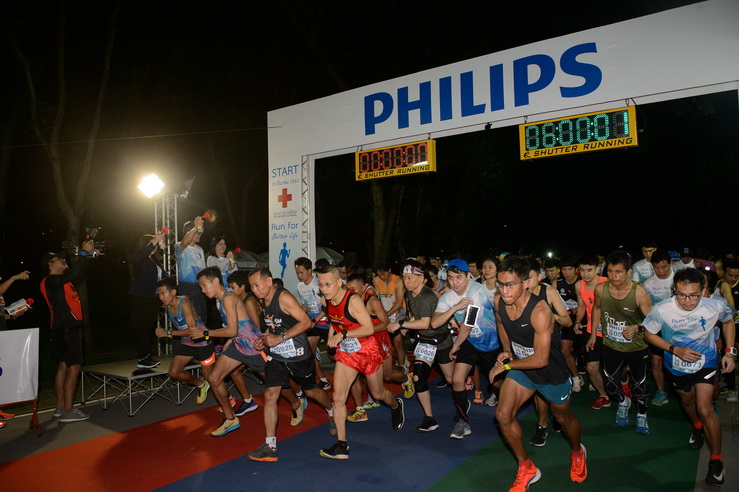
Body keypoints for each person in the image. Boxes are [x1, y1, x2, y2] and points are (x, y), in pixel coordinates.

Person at [491, 255, 586, 491]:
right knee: (503, 415)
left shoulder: (540, 310)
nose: (504, 290)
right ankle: (527, 468)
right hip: (523, 369)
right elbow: (501, 324)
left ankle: (577, 452)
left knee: (563, 418)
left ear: (525, 283)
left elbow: (541, 359)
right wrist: (506, 350)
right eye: (500, 284)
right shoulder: (499, 301)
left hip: (550, 371)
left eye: (510, 284)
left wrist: (507, 366)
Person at [642, 268, 736, 486]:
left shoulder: (716, 305)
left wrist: (730, 352)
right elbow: (649, 333)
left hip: (706, 360)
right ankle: (696, 426)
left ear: (703, 291)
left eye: (694, 295)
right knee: (686, 400)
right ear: (674, 290)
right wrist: (674, 349)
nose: (687, 301)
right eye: (682, 295)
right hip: (676, 365)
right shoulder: (662, 309)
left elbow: (729, 321)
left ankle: (716, 461)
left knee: (705, 408)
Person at [245, 267, 336, 462]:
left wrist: (280, 338)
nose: (254, 289)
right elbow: (274, 325)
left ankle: (332, 411)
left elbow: (306, 323)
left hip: (298, 355)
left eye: (257, 285)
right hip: (277, 356)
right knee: (270, 395)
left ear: (269, 281)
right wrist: (264, 338)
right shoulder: (263, 300)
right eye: (251, 286)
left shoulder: (284, 297)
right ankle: (270, 446)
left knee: (311, 392)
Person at [316, 264, 405, 460]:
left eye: (328, 284)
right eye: (321, 285)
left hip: (367, 350)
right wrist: (332, 336)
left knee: (378, 393)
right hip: (347, 353)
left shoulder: (353, 300)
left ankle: (396, 405)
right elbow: (334, 320)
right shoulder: (326, 299)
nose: (324, 289)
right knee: (338, 398)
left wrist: (342, 335)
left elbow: (368, 328)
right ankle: (341, 445)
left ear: (339, 282)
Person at [431, 259, 500, 440]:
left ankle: (504, 411)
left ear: (468, 276)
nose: (455, 282)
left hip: (492, 342)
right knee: (457, 379)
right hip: (471, 342)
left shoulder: (476, 290)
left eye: (459, 277)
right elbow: (435, 322)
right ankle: (463, 421)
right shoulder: (448, 297)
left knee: (498, 384)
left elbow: (468, 324)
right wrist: (455, 307)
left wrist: (455, 346)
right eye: (450, 278)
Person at [193, 266, 266, 437]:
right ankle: (230, 418)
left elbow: (232, 330)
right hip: (238, 345)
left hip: (254, 347)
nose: (202, 290)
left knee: (278, 383)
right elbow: (235, 328)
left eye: (204, 285)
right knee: (213, 378)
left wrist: (205, 333)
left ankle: (298, 398)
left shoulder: (229, 297)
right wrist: (229, 341)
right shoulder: (219, 300)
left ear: (215, 281)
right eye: (200, 286)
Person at [591, 250, 652, 434]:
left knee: (639, 385)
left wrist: (637, 328)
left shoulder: (639, 293)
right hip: (611, 345)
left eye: (618, 271)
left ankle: (642, 414)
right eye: (610, 271)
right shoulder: (600, 289)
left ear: (629, 272)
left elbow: (653, 322)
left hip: (636, 347)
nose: (613, 276)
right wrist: (593, 334)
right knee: (610, 385)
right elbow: (596, 309)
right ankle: (623, 402)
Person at [390, 260, 451, 432]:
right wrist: (408, 324)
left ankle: (463, 401)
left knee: (453, 380)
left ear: (421, 278)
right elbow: (416, 316)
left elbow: (425, 323)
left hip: (441, 341)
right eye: (404, 278)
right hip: (425, 341)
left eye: (410, 278)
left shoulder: (427, 296)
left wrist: (402, 324)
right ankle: (429, 418)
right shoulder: (411, 294)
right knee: (418, 378)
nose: (406, 281)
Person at [39, 239, 97, 423]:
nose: (64, 260)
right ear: (50, 265)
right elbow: (75, 272)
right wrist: (83, 253)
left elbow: (78, 273)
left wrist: (88, 257)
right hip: (67, 328)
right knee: (74, 367)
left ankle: (60, 407)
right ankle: (68, 411)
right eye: (59, 259)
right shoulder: (51, 280)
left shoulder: (61, 282)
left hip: (61, 328)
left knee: (63, 366)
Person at [346, 273, 413, 423]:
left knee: (388, 376)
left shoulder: (372, 301)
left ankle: (406, 378)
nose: (350, 292)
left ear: (363, 288)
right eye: (348, 289)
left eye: (353, 289)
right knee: (357, 375)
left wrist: (366, 329)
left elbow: (385, 324)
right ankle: (361, 408)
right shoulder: (349, 301)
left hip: (379, 340)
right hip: (362, 343)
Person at [526, 259, 573, 447]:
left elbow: (567, 321)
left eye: (528, 277)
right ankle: (542, 425)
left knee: (553, 389)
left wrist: (550, 316)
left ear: (539, 277)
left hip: (551, 348)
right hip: (529, 347)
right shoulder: (518, 293)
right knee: (538, 387)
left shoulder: (549, 292)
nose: (524, 282)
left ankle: (559, 415)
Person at [154, 277, 213, 405]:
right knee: (174, 372)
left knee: (212, 378)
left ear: (173, 292)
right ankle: (200, 384)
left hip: (203, 342)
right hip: (187, 343)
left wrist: (167, 333)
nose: (161, 297)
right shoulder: (167, 305)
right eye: (159, 294)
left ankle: (229, 400)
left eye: (163, 293)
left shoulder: (184, 304)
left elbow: (192, 331)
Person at [573, 255, 608, 409]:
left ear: (597, 269)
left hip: (611, 331)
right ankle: (604, 396)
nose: (586, 273)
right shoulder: (579, 285)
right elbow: (581, 306)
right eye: (582, 270)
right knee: (591, 368)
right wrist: (577, 322)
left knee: (616, 369)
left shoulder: (607, 283)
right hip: (592, 331)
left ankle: (624, 383)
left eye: (589, 270)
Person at [641, 249, 675, 406]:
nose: (661, 271)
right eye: (657, 268)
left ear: (670, 264)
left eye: (664, 267)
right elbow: (645, 308)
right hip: (657, 328)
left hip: (678, 328)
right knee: (656, 361)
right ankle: (661, 391)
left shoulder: (679, 279)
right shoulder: (647, 284)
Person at [294, 257, 331, 390]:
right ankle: (323, 380)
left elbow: (328, 306)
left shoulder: (319, 284)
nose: (299, 275)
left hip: (326, 323)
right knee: (308, 352)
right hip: (313, 324)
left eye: (302, 272)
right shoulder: (299, 286)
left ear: (309, 271)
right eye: (297, 273)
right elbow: (305, 305)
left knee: (334, 354)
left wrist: (316, 319)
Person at [128, 233, 164, 369]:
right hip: (141, 297)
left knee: (149, 328)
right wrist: (155, 239)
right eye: (151, 244)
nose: (154, 246)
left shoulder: (154, 261)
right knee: (143, 328)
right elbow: (143, 254)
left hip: (153, 299)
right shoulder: (138, 259)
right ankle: (142, 358)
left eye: (155, 244)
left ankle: (147, 357)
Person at [553, 254, 584, 392]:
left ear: (576, 269)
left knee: (586, 352)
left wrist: (573, 311)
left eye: (570, 269)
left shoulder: (582, 282)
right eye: (564, 269)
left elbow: (585, 304)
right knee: (564, 350)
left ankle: (592, 377)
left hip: (583, 320)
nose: (567, 272)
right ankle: (576, 378)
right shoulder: (557, 283)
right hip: (567, 321)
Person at [373, 264, 408, 373]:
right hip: (384, 311)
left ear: (389, 270)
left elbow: (399, 302)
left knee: (397, 341)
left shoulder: (398, 281)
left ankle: (402, 367)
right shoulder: (376, 280)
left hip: (397, 312)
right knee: (384, 341)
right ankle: (400, 357)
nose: (381, 277)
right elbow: (377, 298)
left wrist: (387, 315)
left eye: (383, 274)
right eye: (379, 274)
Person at [175, 216, 207, 325]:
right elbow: (184, 243)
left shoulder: (200, 249)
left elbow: (203, 270)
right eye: (197, 232)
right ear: (189, 232)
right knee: (188, 319)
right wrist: (195, 227)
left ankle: (202, 335)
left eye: (200, 232)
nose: (199, 235)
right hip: (186, 288)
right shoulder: (179, 246)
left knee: (201, 317)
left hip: (200, 287)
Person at [716, 257, 739, 403]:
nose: (733, 278)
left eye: (736, 276)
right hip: (726, 326)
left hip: (737, 326)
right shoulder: (720, 285)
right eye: (730, 275)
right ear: (723, 273)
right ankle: (730, 387)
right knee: (726, 354)